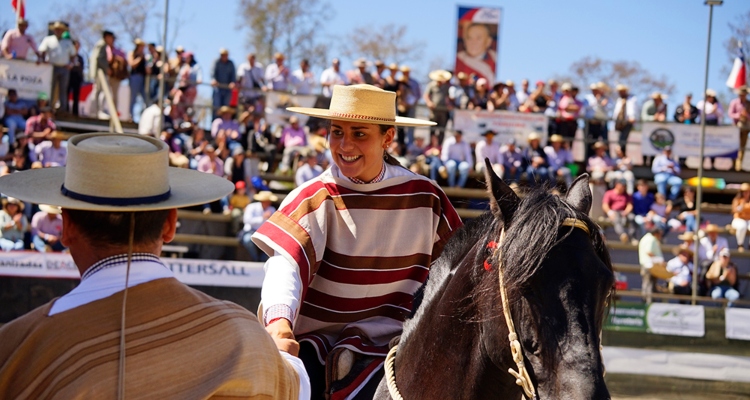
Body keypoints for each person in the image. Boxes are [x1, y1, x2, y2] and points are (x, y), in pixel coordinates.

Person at [0, 133, 308, 398]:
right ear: (170, 224)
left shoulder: (13, 352)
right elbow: (295, 388)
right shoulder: (246, 338)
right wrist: (283, 359)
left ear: (65, 227)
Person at [252, 84, 460, 399]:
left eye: (359, 134)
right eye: (337, 132)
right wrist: (280, 322)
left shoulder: (427, 196)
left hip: (398, 343)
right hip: (316, 342)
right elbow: (285, 266)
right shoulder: (313, 197)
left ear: (387, 138)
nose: (344, 144)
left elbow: (457, 264)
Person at [38, 21, 76, 113]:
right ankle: (50, 107)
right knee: (51, 88)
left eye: (60, 30)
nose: (58, 31)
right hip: (51, 68)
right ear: (54, 30)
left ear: (63, 31)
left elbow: (73, 54)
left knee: (63, 89)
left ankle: (63, 109)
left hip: (64, 68)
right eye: (57, 29)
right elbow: (42, 51)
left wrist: (71, 64)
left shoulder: (67, 42)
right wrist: (43, 61)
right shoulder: (48, 39)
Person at [240, 191, 278, 261]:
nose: (269, 202)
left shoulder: (272, 209)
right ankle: (255, 259)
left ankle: (263, 259)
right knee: (247, 240)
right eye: (268, 201)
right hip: (250, 231)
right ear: (263, 201)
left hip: (265, 233)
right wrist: (262, 218)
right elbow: (247, 220)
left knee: (274, 243)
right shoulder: (251, 207)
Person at [89, 30, 116, 117]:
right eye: (111, 38)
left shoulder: (100, 44)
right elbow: (99, 58)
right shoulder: (102, 45)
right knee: (103, 91)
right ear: (107, 37)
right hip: (100, 72)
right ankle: (98, 110)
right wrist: (106, 68)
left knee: (97, 91)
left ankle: (95, 111)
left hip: (98, 72)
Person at [423, 70, 453, 143]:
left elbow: (450, 97)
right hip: (433, 111)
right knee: (432, 129)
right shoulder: (431, 85)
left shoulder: (447, 87)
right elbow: (426, 95)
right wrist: (429, 102)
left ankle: (439, 146)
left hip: (443, 111)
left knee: (442, 130)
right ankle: (431, 145)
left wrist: (449, 104)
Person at [603, 179, 635, 244]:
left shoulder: (626, 195)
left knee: (632, 217)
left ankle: (632, 237)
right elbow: (605, 205)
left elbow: (630, 205)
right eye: (622, 185)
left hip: (624, 212)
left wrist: (626, 212)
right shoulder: (609, 193)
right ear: (616, 185)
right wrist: (609, 212)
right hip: (614, 212)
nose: (623, 187)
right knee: (616, 218)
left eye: (624, 186)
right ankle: (622, 234)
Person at [584, 82, 610, 159]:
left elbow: (608, 109)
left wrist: (602, 103)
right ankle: (588, 160)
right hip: (590, 123)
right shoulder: (587, 97)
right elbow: (585, 108)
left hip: (600, 123)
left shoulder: (605, 98)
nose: (595, 91)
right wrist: (596, 101)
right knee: (589, 142)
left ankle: (605, 160)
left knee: (603, 142)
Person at [638, 226, 663, 304]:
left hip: (646, 265)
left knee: (646, 284)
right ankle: (648, 303)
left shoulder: (645, 238)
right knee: (649, 285)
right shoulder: (651, 239)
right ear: (656, 233)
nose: (660, 237)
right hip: (650, 266)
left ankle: (645, 302)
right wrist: (659, 260)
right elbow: (649, 252)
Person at [728, 86, 750, 171]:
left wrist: (746, 116)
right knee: (733, 146)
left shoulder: (749, 103)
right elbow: (730, 114)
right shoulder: (734, 103)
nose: (742, 96)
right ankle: (733, 165)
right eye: (741, 94)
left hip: (745, 128)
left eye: (744, 95)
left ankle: (739, 165)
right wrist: (739, 115)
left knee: (742, 147)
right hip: (735, 128)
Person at [612, 84, 637, 155]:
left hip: (628, 121)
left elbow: (633, 109)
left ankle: (620, 151)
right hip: (619, 122)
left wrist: (632, 117)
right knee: (620, 138)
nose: (620, 93)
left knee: (623, 138)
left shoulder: (632, 98)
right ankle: (621, 154)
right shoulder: (619, 100)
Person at [211, 48, 236, 118]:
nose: (223, 56)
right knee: (216, 105)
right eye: (222, 55)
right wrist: (213, 80)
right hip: (218, 88)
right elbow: (213, 73)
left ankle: (224, 123)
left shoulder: (231, 64)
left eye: (225, 55)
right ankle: (215, 122)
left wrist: (233, 83)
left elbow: (233, 76)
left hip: (227, 89)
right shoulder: (216, 62)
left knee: (226, 107)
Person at [127, 38, 148, 120]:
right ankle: (130, 116)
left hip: (143, 78)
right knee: (133, 98)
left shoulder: (144, 56)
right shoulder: (132, 53)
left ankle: (144, 117)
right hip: (134, 77)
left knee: (145, 98)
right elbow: (132, 64)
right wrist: (140, 58)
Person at [731, 182, 750, 252]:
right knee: (742, 226)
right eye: (744, 192)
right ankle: (740, 244)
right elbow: (734, 210)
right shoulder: (737, 200)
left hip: (748, 220)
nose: (746, 193)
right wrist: (741, 206)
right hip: (738, 220)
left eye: (747, 192)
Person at [68, 39, 85, 116]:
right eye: (76, 45)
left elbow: (82, 68)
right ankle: (66, 110)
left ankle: (75, 112)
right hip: (69, 77)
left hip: (77, 79)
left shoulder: (80, 58)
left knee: (76, 96)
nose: (77, 47)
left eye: (78, 46)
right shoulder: (68, 56)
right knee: (67, 94)